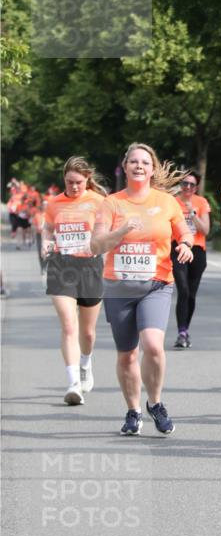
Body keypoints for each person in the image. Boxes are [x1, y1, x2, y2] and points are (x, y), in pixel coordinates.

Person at [91, 143, 193, 436]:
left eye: (144, 162)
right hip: (119, 287)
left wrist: (185, 244)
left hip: (156, 284)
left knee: (153, 347)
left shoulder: (166, 201)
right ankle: (133, 410)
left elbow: (183, 231)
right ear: (124, 167)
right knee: (127, 355)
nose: (139, 166)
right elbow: (96, 245)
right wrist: (121, 231)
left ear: (152, 168)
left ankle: (155, 403)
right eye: (133, 162)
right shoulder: (111, 203)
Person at [41, 157, 107, 405]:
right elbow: (47, 228)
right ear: (64, 180)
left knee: (87, 333)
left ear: (87, 179)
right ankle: (73, 384)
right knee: (69, 326)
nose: (75, 187)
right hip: (61, 265)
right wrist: (46, 242)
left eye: (79, 182)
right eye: (70, 182)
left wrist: (100, 243)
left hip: (89, 267)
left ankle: (85, 364)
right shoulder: (54, 203)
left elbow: (107, 230)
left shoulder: (98, 201)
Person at [172, 170, 210, 348]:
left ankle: (185, 330)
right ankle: (181, 332)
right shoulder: (172, 202)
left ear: (196, 187)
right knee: (183, 290)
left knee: (191, 295)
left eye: (191, 184)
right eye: (184, 183)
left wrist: (192, 213)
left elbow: (205, 230)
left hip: (197, 251)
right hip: (178, 248)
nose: (187, 187)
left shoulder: (201, 202)